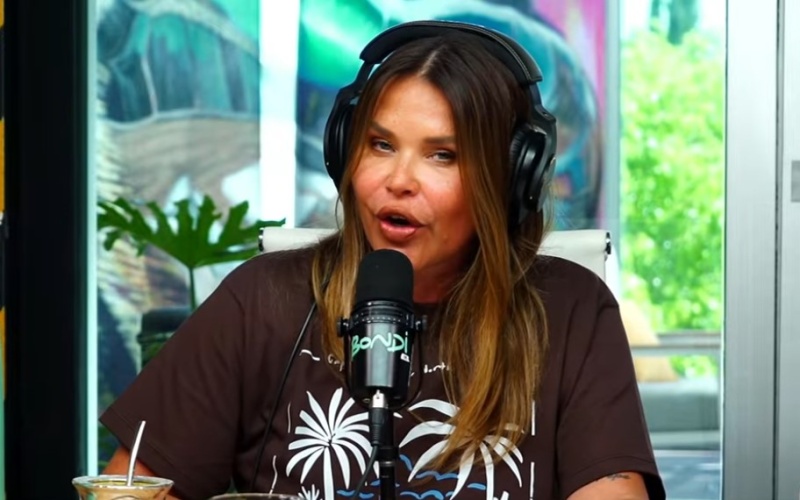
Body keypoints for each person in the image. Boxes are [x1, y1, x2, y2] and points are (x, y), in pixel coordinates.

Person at [101, 20, 667, 500]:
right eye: (381, 145)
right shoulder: (263, 300)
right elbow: (131, 487)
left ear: (509, 178)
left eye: (442, 155)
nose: (399, 180)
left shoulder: (569, 312)